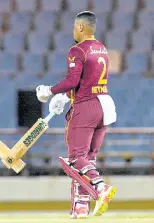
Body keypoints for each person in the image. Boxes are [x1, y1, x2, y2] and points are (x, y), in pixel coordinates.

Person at [36, 11, 117, 219]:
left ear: (80, 27)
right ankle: (81, 207)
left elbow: (73, 80)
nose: (73, 31)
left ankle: (99, 186)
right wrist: (65, 96)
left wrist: (50, 90)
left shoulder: (77, 50)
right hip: (105, 104)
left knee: (75, 158)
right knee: (87, 160)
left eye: (74, 27)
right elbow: (86, 79)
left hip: (86, 106)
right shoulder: (102, 48)